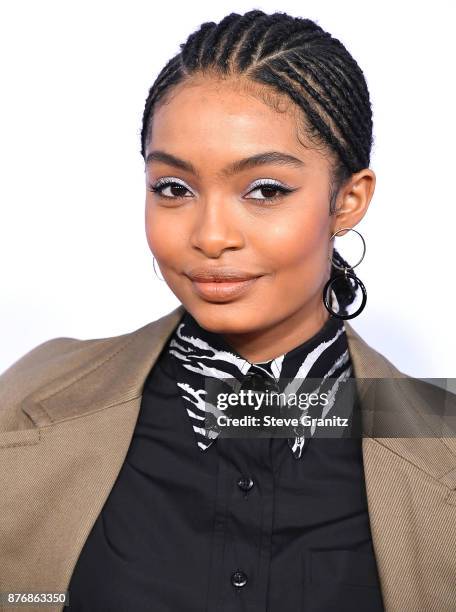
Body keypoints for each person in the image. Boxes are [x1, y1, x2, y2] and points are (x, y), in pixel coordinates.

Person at [1, 9, 455, 612]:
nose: (211, 236)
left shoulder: (441, 441)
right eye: (174, 189)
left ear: (347, 201)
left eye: (265, 189)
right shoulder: (36, 395)